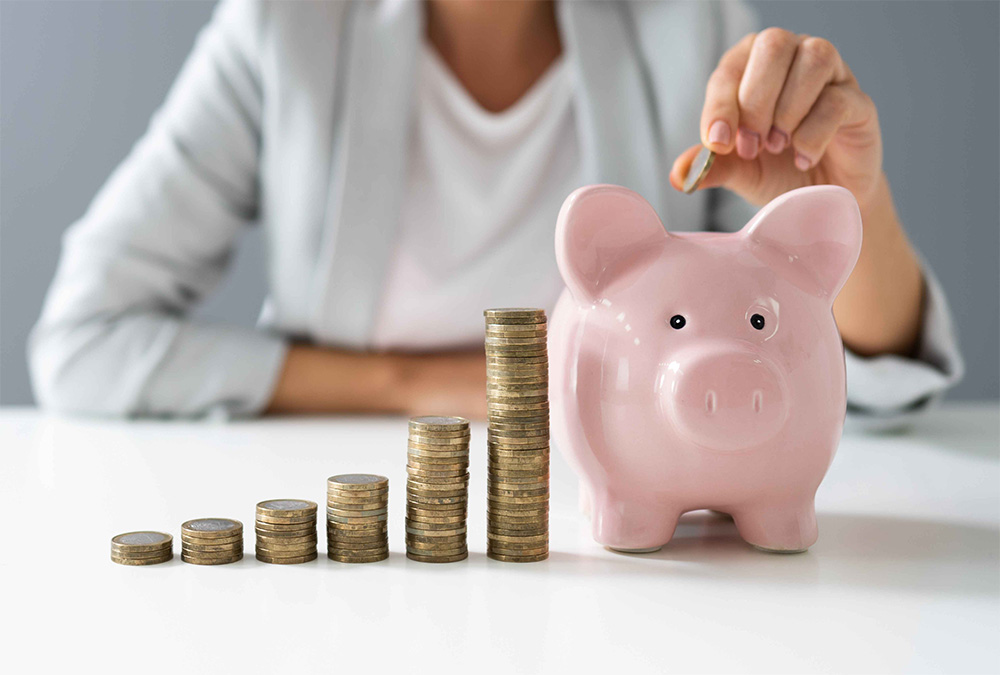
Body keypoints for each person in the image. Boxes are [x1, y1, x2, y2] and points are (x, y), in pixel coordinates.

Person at [29, 0, 962, 427]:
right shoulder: (281, 29)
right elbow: (82, 342)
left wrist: (846, 206)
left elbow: (883, 386)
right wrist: (423, 386)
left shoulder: (695, 27)